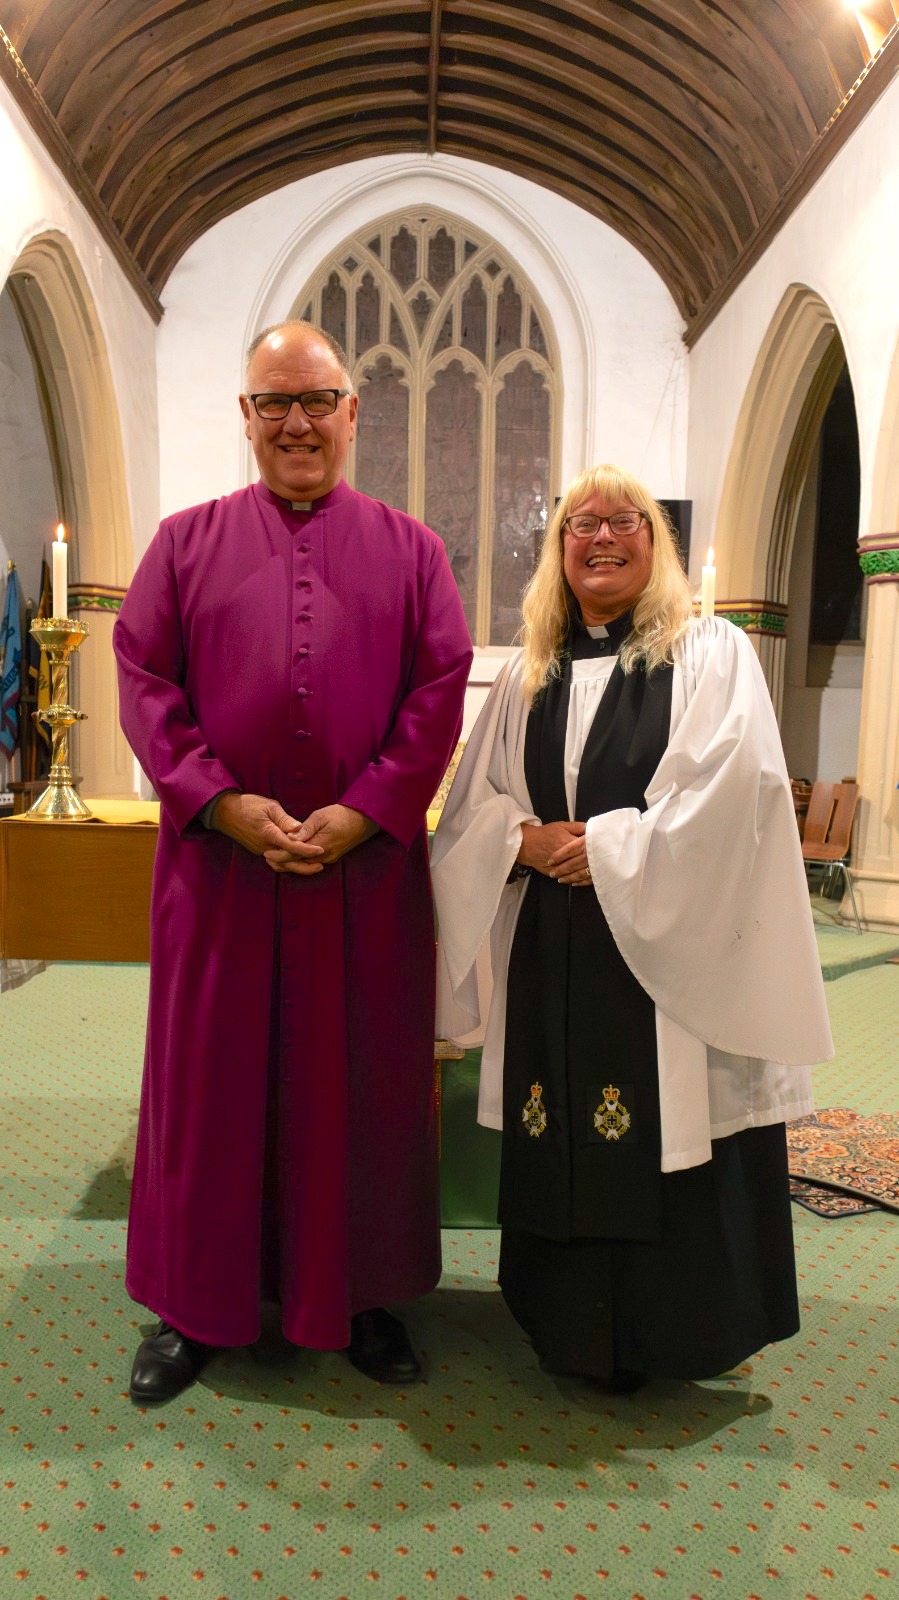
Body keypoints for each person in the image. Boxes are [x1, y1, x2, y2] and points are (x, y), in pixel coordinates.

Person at [114, 320, 472, 1403]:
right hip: (219, 876)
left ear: (352, 412)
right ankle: (194, 1305)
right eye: (274, 402)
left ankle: (357, 1296)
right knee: (210, 1088)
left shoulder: (413, 551)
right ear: (245, 417)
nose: (297, 422)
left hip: (358, 881)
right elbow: (143, 682)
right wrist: (217, 801)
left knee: (356, 1084)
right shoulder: (182, 544)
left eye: (316, 400)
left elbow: (436, 692)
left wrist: (367, 813)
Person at [431, 463, 833, 1391]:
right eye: (580, 523)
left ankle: (670, 1333)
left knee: (664, 1119)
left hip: (661, 953)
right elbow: (469, 808)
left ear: (656, 546)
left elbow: (738, 793)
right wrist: (521, 842)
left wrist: (607, 850)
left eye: (624, 521)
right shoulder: (523, 676)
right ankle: (563, 1325)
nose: (601, 537)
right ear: (557, 550)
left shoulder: (708, 653)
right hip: (551, 946)